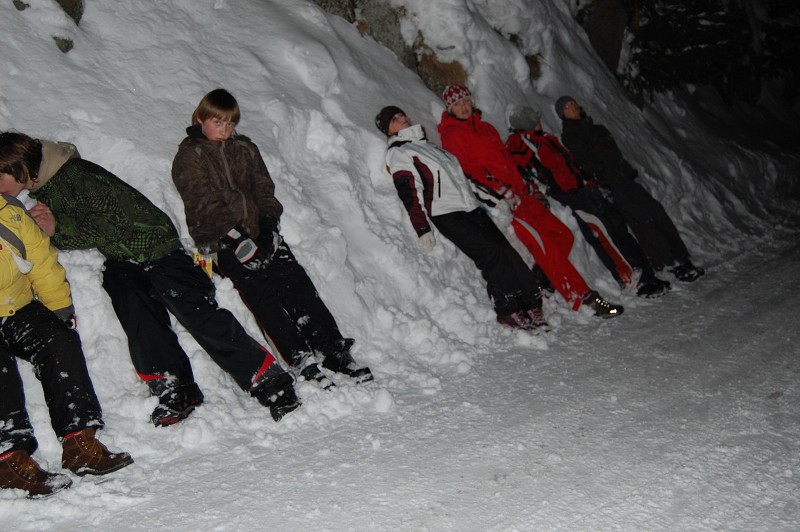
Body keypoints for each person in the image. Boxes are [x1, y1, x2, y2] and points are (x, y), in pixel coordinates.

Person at [0, 131, 300, 426]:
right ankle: (173, 386)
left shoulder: (76, 174)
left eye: (1, 175)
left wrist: (57, 229)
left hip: (158, 248)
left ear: (19, 166)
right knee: (132, 305)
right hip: (126, 258)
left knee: (196, 312)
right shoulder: (48, 187)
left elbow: (113, 224)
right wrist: (55, 230)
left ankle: (269, 381)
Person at [171, 89, 372, 388]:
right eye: (217, 122)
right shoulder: (190, 155)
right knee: (259, 290)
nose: (224, 130)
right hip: (220, 240)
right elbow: (203, 202)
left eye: (230, 123)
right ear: (200, 118)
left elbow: (264, 189)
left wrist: (268, 226)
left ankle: (331, 349)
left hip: (257, 232)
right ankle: (299, 356)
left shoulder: (245, 148)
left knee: (295, 281)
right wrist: (238, 239)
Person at [437, 85, 623, 318]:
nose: (463, 107)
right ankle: (584, 298)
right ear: (450, 109)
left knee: (563, 235)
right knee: (545, 247)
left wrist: (526, 186)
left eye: (466, 101)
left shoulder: (486, 127)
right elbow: (468, 172)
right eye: (457, 104)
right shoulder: (452, 134)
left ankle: (541, 279)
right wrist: (502, 193)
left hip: (522, 195)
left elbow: (507, 161)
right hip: (505, 202)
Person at [0, 193, 133, 498]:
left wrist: (60, 311)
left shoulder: (9, 211)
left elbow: (41, 261)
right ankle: (8, 459)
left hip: (16, 306)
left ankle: (78, 441)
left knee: (59, 340)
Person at [376, 105, 550, 333]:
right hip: (447, 213)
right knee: (490, 254)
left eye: (401, 115)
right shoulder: (399, 153)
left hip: (472, 208)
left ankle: (531, 304)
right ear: (389, 131)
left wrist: (494, 199)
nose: (402, 119)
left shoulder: (431, 148)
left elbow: (464, 180)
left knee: (506, 251)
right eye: (394, 120)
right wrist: (422, 228)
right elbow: (408, 190)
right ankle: (508, 309)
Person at [505, 105, 672, 298]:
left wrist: (589, 182)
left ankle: (646, 274)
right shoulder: (520, 142)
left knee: (617, 227)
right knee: (602, 234)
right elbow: (521, 169)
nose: (539, 121)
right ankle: (632, 281)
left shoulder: (545, 138)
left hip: (583, 190)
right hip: (570, 195)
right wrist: (541, 190)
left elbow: (570, 163)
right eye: (535, 119)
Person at [555, 96, 704, 282]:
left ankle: (680, 259)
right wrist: (604, 179)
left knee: (655, 213)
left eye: (573, 103)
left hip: (624, 178)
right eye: (567, 106)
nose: (573, 106)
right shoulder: (571, 136)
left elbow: (613, 153)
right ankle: (671, 263)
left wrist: (622, 170)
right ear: (563, 114)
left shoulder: (596, 128)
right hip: (612, 183)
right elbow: (585, 163)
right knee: (644, 220)